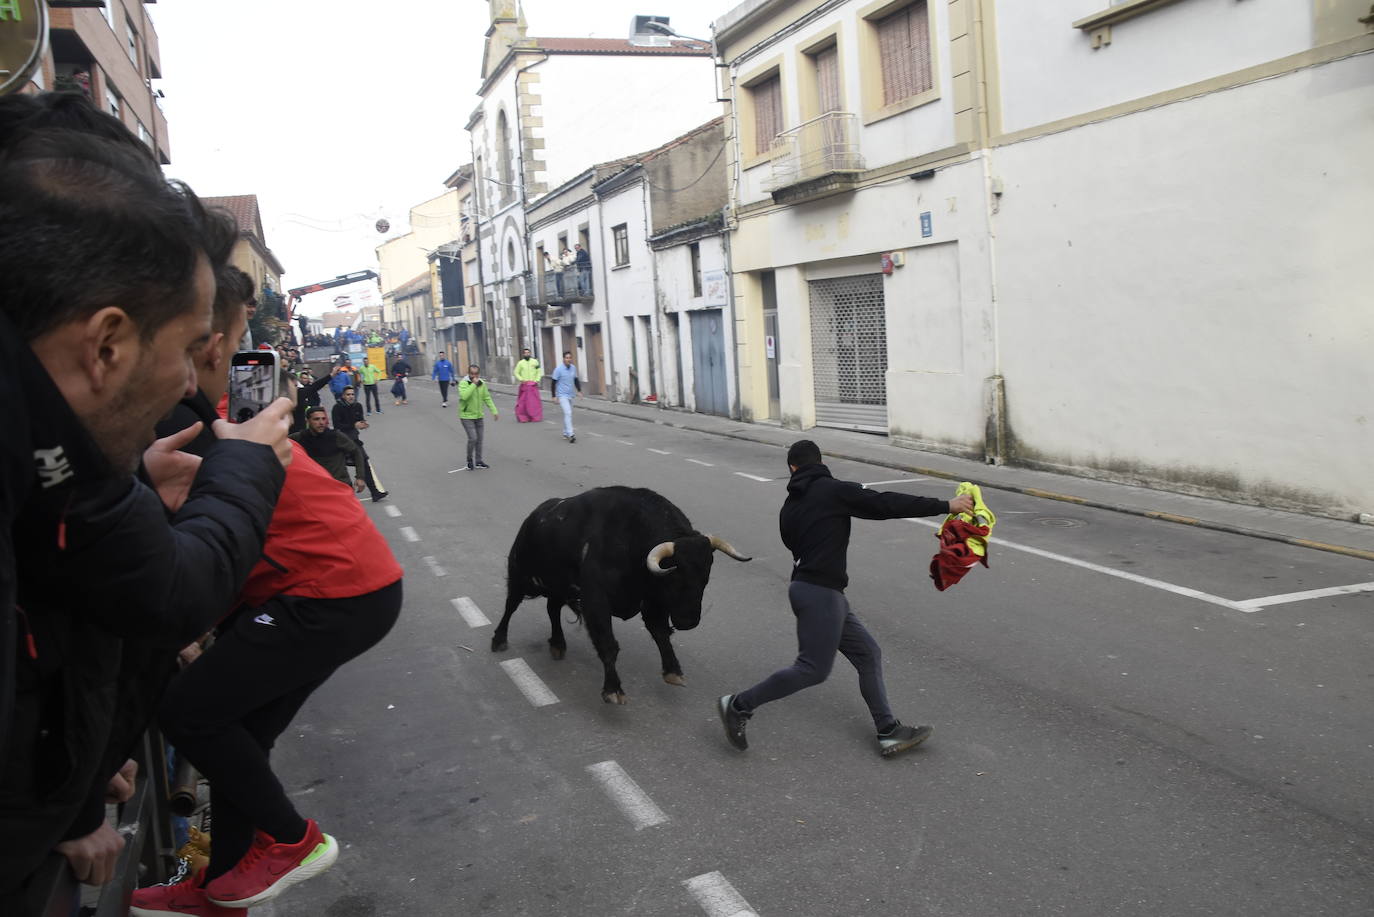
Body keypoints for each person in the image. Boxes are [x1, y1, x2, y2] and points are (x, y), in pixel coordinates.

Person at [0, 93, 292, 907]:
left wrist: (76, 776)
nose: (190, 382)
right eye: (190, 348)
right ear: (107, 344)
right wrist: (62, 801)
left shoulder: (50, 449)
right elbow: (164, 590)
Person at [133, 397, 404, 915]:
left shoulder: (186, 427)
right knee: (241, 738)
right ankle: (223, 886)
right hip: (342, 588)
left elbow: (212, 544)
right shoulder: (217, 420)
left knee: (188, 712)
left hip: (328, 589)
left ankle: (291, 839)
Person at [717, 440, 975, 758]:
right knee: (812, 668)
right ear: (819, 462)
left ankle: (888, 730)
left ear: (792, 469)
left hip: (816, 591)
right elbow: (885, 503)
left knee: (867, 653)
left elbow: (795, 543)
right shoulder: (833, 490)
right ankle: (739, 705)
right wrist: (945, 506)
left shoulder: (789, 509)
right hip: (820, 593)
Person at [291, 407, 369, 493]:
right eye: (316, 419)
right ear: (308, 421)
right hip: (316, 489)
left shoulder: (336, 436)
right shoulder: (301, 437)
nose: (321, 423)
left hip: (341, 486)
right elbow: (279, 446)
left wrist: (360, 477)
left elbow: (356, 452)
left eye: (323, 419)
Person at [331, 386, 388, 502]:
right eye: (348, 394)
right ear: (343, 396)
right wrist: (353, 425)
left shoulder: (358, 406)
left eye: (352, 394)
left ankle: (375, 493)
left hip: (354, 440)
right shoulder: (337, 407)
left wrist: (363, 425)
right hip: (341, 441)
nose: (351, 396)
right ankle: (342, 496)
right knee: (340, 469)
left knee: (364, 464)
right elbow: (337, 426)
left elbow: (360, 420)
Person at [457, 364, 499, 470]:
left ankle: (479, 461)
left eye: (476, 374)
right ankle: (469, 460)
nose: (474, 376)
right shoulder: (463, 383)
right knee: (473, 438)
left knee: (479, 439)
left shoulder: (482, 384)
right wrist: (473, 385)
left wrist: (494, 411)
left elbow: (487, 398)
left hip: (479, 416)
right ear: (468, 373)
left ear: (479, 374)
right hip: (466, 416)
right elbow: (464, 396)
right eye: (472, 374)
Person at [550, 350, 581, 443]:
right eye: (567, 358)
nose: (569, 359)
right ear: (563, 359)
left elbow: (576, 380)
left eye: (570, 358)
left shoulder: (573, 368)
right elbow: (553, 383)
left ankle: (565, 432)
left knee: (568, 414)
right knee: (568, 413)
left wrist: (579, 390)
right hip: (562, 395)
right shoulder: (558, 369)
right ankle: (571, 434)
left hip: (571, 394)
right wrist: (554, 396)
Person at [514, 347, 544, 422]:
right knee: (523, 402)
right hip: (525, 385)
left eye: (528, 353)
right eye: (525, 353)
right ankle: (523, 417)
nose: (527, 354)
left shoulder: (535, 362)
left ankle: (535, 416)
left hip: (533, 385)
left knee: (534, 402)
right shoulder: (520, 363)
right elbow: (516, 372)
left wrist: (537, 380)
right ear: (523, 354)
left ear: (530, 353)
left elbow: (539, 371)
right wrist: (521, 379)